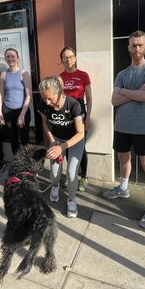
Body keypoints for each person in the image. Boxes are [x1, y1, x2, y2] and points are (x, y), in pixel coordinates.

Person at [103, 30, 145, 229]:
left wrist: (125, 93)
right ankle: (123, 187)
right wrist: (137, 92)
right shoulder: (122, 74)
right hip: (122, 126)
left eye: (140, 44)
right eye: (133, 45)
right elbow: (113, 100)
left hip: (143, 128)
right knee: (123, 159)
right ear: (128, 47)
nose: (136, 48)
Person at [39, 76, 85, 218]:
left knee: (71, 173)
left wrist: (62, 147)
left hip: (74, 141)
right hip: (57, 140)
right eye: (44, 98)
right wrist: (53, 141)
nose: (47, 102)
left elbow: (80, 133)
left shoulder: (74, 105)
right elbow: (46, 124)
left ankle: (71, 200)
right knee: (54, 174)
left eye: (50, 98)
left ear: (59, 93)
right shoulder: (44, 104)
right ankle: (55, 186)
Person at [59, 46, 92, 191]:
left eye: (71, 56)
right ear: (62, 60)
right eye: (65, 57)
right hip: (65, 115)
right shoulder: (59, 77)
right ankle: (71, 175)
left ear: (75, 58)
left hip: (80, 113)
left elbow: (89, 99)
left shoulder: (83, 75)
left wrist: (88, 117)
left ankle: (83, 176)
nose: (68, 59)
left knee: (81, 147)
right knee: (67, 146)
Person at [0, 48, 32, 156]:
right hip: (8, 110)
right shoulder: (3, 74)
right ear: (5, 59)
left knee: (24, 139)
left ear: (18, 58)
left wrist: (22, 115)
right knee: (13, 139)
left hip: (22, 110)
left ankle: (28, 163)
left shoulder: (24, 73)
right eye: (8, 56)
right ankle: (17, 163)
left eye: (13, 56)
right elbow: (1, 94)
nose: (10, 59)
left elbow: (28, 96)